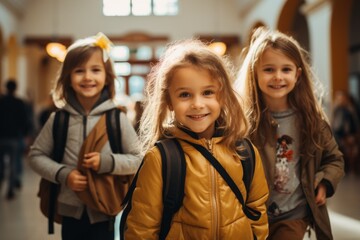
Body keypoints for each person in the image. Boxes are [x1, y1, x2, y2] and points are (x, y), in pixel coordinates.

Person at [122, 39, 269, 239]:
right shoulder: (161, 159)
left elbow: (257, 210)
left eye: (208, 92)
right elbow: (142, 229)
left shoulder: (245, 151)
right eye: (185, 95)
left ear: (223, 96)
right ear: (170, 102)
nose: (197, 104)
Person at [28, 33, 142, 240]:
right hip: (70, 208)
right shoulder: (59, 119)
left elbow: (137, 159)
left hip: (104, 209)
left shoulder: (117, 119)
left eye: (95, 70)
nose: (88, 77)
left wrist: (107, 162)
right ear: (68, 79)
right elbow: (36, 156)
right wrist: (64, 174)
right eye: (79, 71)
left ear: (107, 77)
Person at [234, 27, 345, 240]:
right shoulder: (243, 122)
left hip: (294, 215)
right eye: (269, 70)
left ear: (298, 74)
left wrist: (324, 181)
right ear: (254, 72)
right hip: (250, 216)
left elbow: (335, 159)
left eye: (286, 69)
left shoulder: (312, 121)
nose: (278, 77)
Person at [0, 79, 31, 199]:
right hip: (14, 137)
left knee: (1, 163)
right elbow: (24, 120)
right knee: (13, 162)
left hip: (1, 137)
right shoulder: (19, 103)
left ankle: (2, 177)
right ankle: (11, 188)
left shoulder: (1, 102)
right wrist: (25, 135)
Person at [332, 91, 359, 175]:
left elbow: (353, 124)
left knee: (351, 151)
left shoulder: (350, 110)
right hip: (339, 136)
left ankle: (352, 169)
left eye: (342, 98)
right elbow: (335, 125)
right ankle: (348, 168)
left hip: (348, 135)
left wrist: (352, 135)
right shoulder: (337, 110)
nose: (341, 100)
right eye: (339, 99)